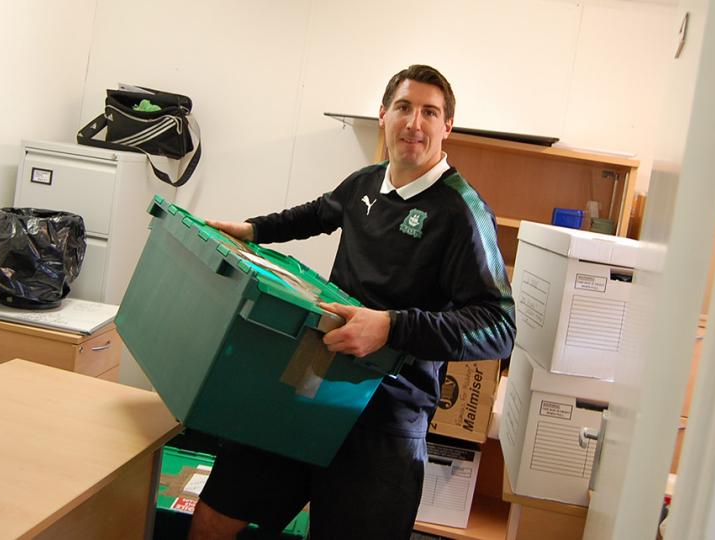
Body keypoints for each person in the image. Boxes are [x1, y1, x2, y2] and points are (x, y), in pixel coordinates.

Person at [189, 64, 515, 540]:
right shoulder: (366, 182)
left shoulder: (464, 213)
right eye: (403, 107)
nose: (414, 123)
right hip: (309, 381)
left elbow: (499, 327)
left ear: (448, 126)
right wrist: (255, 230)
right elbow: (318, 213)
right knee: (214, 519)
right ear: (383, 114)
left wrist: (391, 327)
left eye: (429, 112)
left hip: (385, 417)